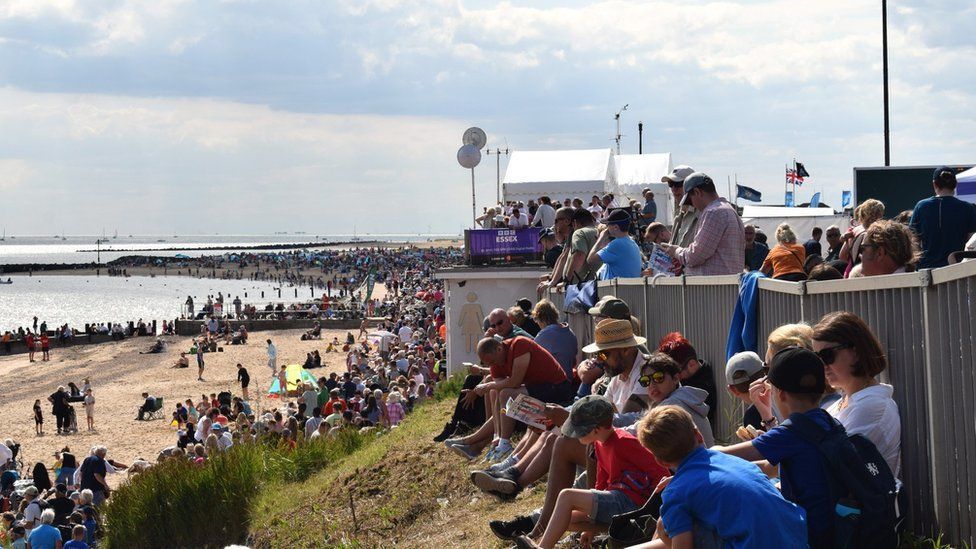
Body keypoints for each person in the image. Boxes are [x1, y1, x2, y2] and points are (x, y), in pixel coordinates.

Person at [634, 405, 809, 549]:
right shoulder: (730, 460)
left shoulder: (675, 492)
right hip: (799, 538)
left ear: (661, 462)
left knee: (664, 526)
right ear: (699, 435)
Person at [714, 346, 835, 547]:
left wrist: (700, 452)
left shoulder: (793, 431)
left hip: (809, 536)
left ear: (780, 394)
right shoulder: (826, 421)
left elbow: (725, 456)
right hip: (832, 529)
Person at [513, 395, 668, 549]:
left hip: (633, 503)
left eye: (579, 431)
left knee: (567, 496)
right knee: (566, 519)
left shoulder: (624, 441)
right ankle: (622, 532)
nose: (574, 434)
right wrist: (589, 529)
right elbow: (601, 483)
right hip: (618, 502)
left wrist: (654, 508)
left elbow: (661, 471)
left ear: (596, 429)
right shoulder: (599, 444)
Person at [813, 311, 901, 476]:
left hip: (852, 501)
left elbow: (828, 462)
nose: (822, 365)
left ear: (856, 352)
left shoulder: (872, 405)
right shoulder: (844, 402)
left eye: (827, 355)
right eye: (817, 358)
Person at [660, 173, 745, 275]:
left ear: (697, 192)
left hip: (712, 287)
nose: (693, 205)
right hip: (726, 284)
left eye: (690, 200)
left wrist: (676, 251)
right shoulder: (729, 210)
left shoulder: (713, 212)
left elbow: (695, 256)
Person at [910, 166, 976, 269]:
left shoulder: (921, 206)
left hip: (927, 271)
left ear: (934, 184)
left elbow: (913, 241)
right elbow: (972, 242)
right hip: (958, 271)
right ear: (955, 184)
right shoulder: (967, 208)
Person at [588, 209, 643, 280]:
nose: (607, 228)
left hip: (616, 290)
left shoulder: (617, 244)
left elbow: (590, 259)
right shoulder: (632, 242)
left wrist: (601, 238)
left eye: (608, 225)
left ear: (616, 227)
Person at [840, 198, 884, 276]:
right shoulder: (873, 233)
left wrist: (852, 261)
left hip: (851, 272)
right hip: (866, 274)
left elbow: (842, 256)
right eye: (881, 213)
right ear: (877, 214)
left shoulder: (853, 231)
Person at [663, 165, 699, 248]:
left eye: (678, 184)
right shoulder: (680, 213)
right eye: (670, 184)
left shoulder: (702, 214)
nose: (674, 189)